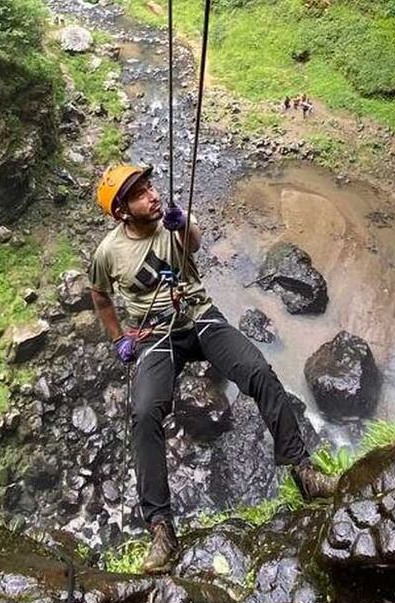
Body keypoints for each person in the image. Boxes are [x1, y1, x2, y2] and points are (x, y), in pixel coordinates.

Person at [88, 164, 339, 575]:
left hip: (200, 319)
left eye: (150, 186)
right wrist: (119, 338)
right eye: (139, 194)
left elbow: (194, 242)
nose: (151, 195)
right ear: (121, 211)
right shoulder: (108, 253)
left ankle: (304, 471)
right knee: (144, 413)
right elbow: (99, 294)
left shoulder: (172, 220)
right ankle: (161, 529)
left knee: (258, 370)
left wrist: (182, 223)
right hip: (156, 336)